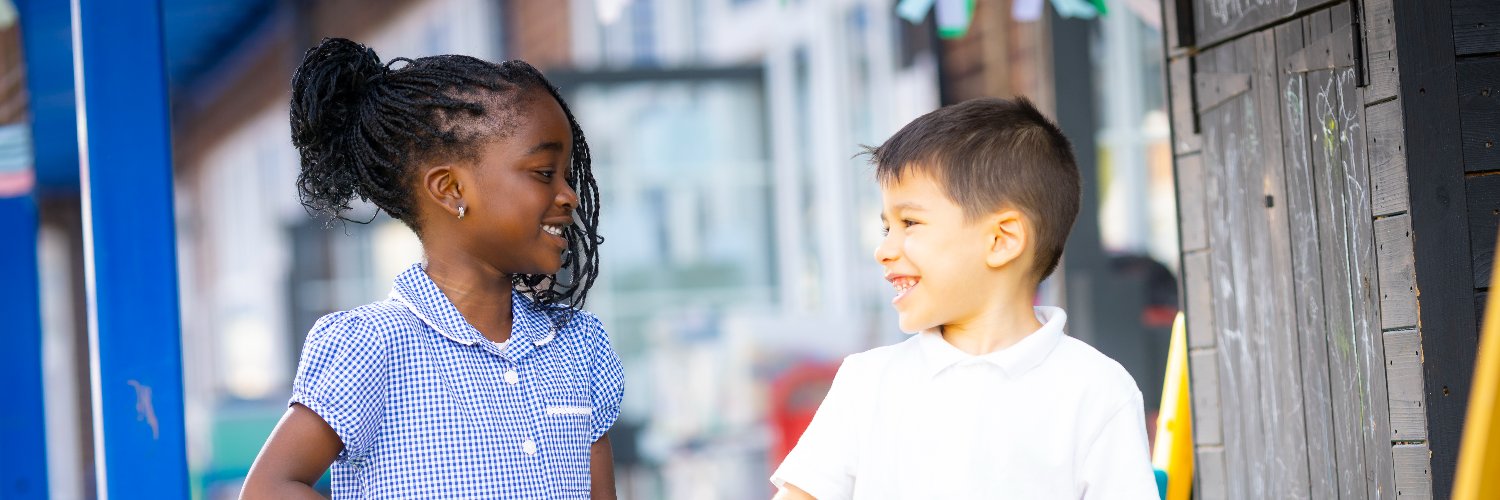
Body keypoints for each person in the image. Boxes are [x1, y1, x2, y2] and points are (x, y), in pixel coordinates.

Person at [241, 38, 622, 499]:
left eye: (567, 174)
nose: (569, 196)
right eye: (544, 173)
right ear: (449, 189)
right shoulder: (372, 345)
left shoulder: (580, 347)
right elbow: (270, 487)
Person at [771, 97, 1158, 499]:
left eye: (910, 223)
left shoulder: (1096, 390)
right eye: (887, 228)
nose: (883, 250)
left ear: (1001, 240)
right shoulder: (868, 382)